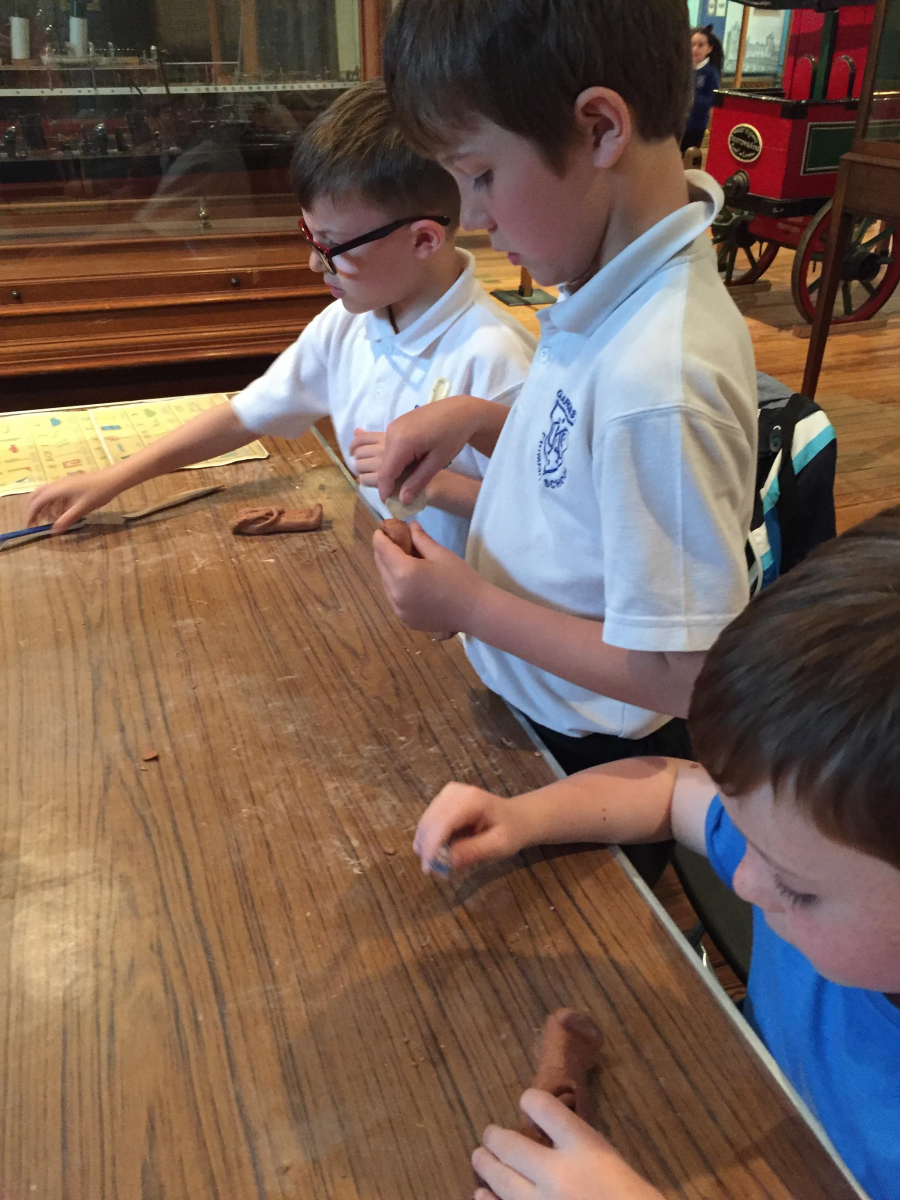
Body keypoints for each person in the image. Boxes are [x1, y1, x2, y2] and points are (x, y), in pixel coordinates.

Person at [372, 0, 757, 879]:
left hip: (594, 761)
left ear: (598, 130)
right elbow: (592, 464)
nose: (473, 217)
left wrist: (470, 607)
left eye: (479, 175)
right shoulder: (611, 284)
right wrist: (480, 420)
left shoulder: (659, 375)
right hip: (534, 713)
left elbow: (688, 676)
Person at [413, 506, 900, 1200]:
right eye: (745, 833)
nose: (743, 877)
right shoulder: (821, 840)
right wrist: (523, 817)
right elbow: (672, 789)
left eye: (796, 887)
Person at [25, 80, 535, 560]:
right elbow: (245, 415)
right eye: (310, 236)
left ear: (423, 239)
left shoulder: (496, 360)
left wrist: (434, 484)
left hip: (463, 607)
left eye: (332, 245)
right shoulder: (346, 325)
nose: (314, 263)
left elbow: (547, 520)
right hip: (383, 567)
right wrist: (114, 478)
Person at [681, 25, 723, 154]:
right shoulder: (686, 70)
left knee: (689, 156)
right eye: (692, 45)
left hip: (696, 126)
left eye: (700, 45)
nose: (695, 49)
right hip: (680, 124)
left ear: (709, 48)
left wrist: (692, 99)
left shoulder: (710, 73)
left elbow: (711, 99)